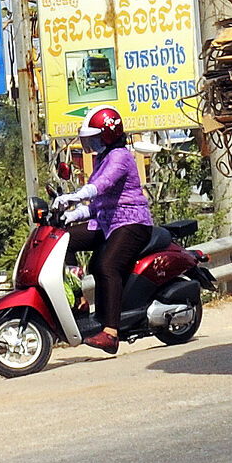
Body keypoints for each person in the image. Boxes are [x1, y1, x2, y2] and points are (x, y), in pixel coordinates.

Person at [54, 105, 151, 354]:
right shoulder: (102, 158)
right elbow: (97, 205)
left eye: (95, 138)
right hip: (107, 222)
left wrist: (74, 197)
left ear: (107, 135)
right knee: (63, 239)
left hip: (131, 222)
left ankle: (111, 332)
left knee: (106, 265)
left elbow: (101, 186)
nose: (91, 144)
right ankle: (78, 299)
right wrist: (71, 215)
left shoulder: (120, 156)